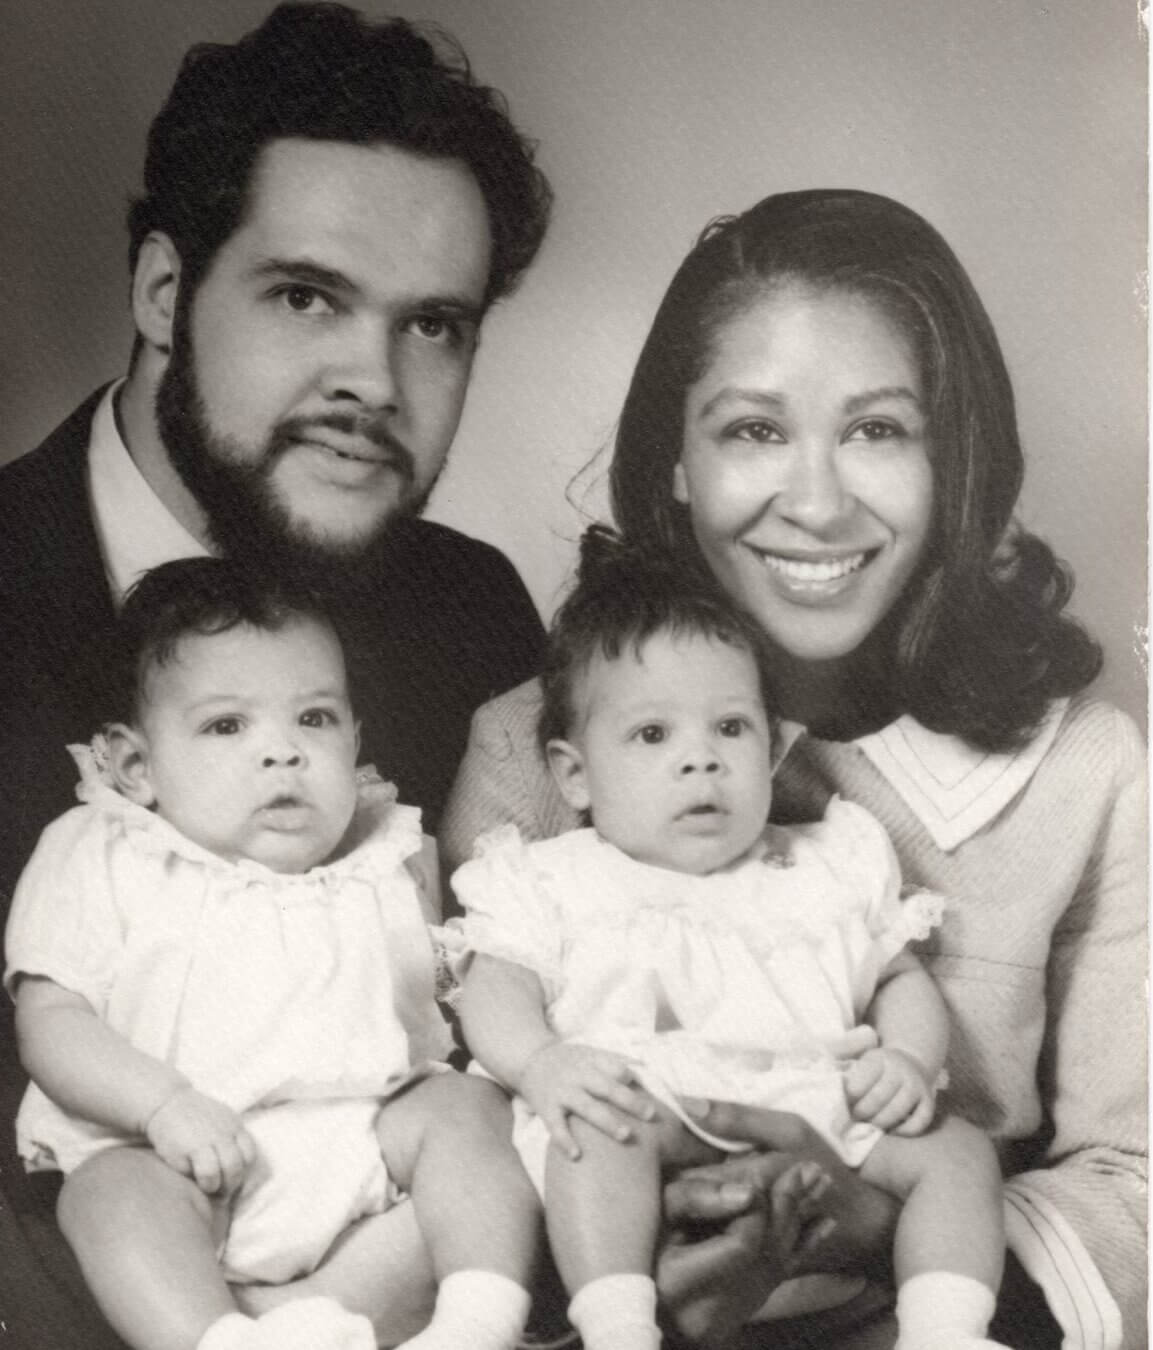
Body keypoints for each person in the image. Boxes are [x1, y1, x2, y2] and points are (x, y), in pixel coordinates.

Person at [440, 190, 1147, 1349]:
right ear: (672, 460)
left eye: (877, 430)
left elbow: (1138, 1176)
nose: (815, 506)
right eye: (753, 430)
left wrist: (868, 1227)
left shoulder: (1084, 767)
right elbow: (456, 1113)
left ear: (955, 460)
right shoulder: (530, 746)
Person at [0, 5, 550, 1345]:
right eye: (306, 296)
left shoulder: (473, 606)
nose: (372, 378)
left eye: (434, 326)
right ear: (163, 292)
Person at [453, 532, 1010, 1350]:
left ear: (773, 743)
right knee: (589, 1134)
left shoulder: (825, 864)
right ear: (573, 775)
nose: (700, 763)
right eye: (652, 736)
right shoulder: (550, 879)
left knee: (957, 1151)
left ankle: (946, 1332)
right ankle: (617, 1325)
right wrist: (541, 1063)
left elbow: (896, 980)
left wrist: (905, 1060)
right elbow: (492, 986)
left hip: (821, 1117)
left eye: (729, 729)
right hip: (648, 1116)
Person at [6, 558, 541, 1350]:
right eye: (228, 725)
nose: (283, 753)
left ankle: (477, 1321)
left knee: (469, 1113)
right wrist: (162, 1105)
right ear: (135, 765)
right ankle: (219, 1341)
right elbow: (51, 1019)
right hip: (174, 1158)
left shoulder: (384, 850)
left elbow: (447, 994)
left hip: (370, 1143)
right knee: (105, 1198)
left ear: (355, 736)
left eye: (315, 719)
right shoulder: (103, 849)